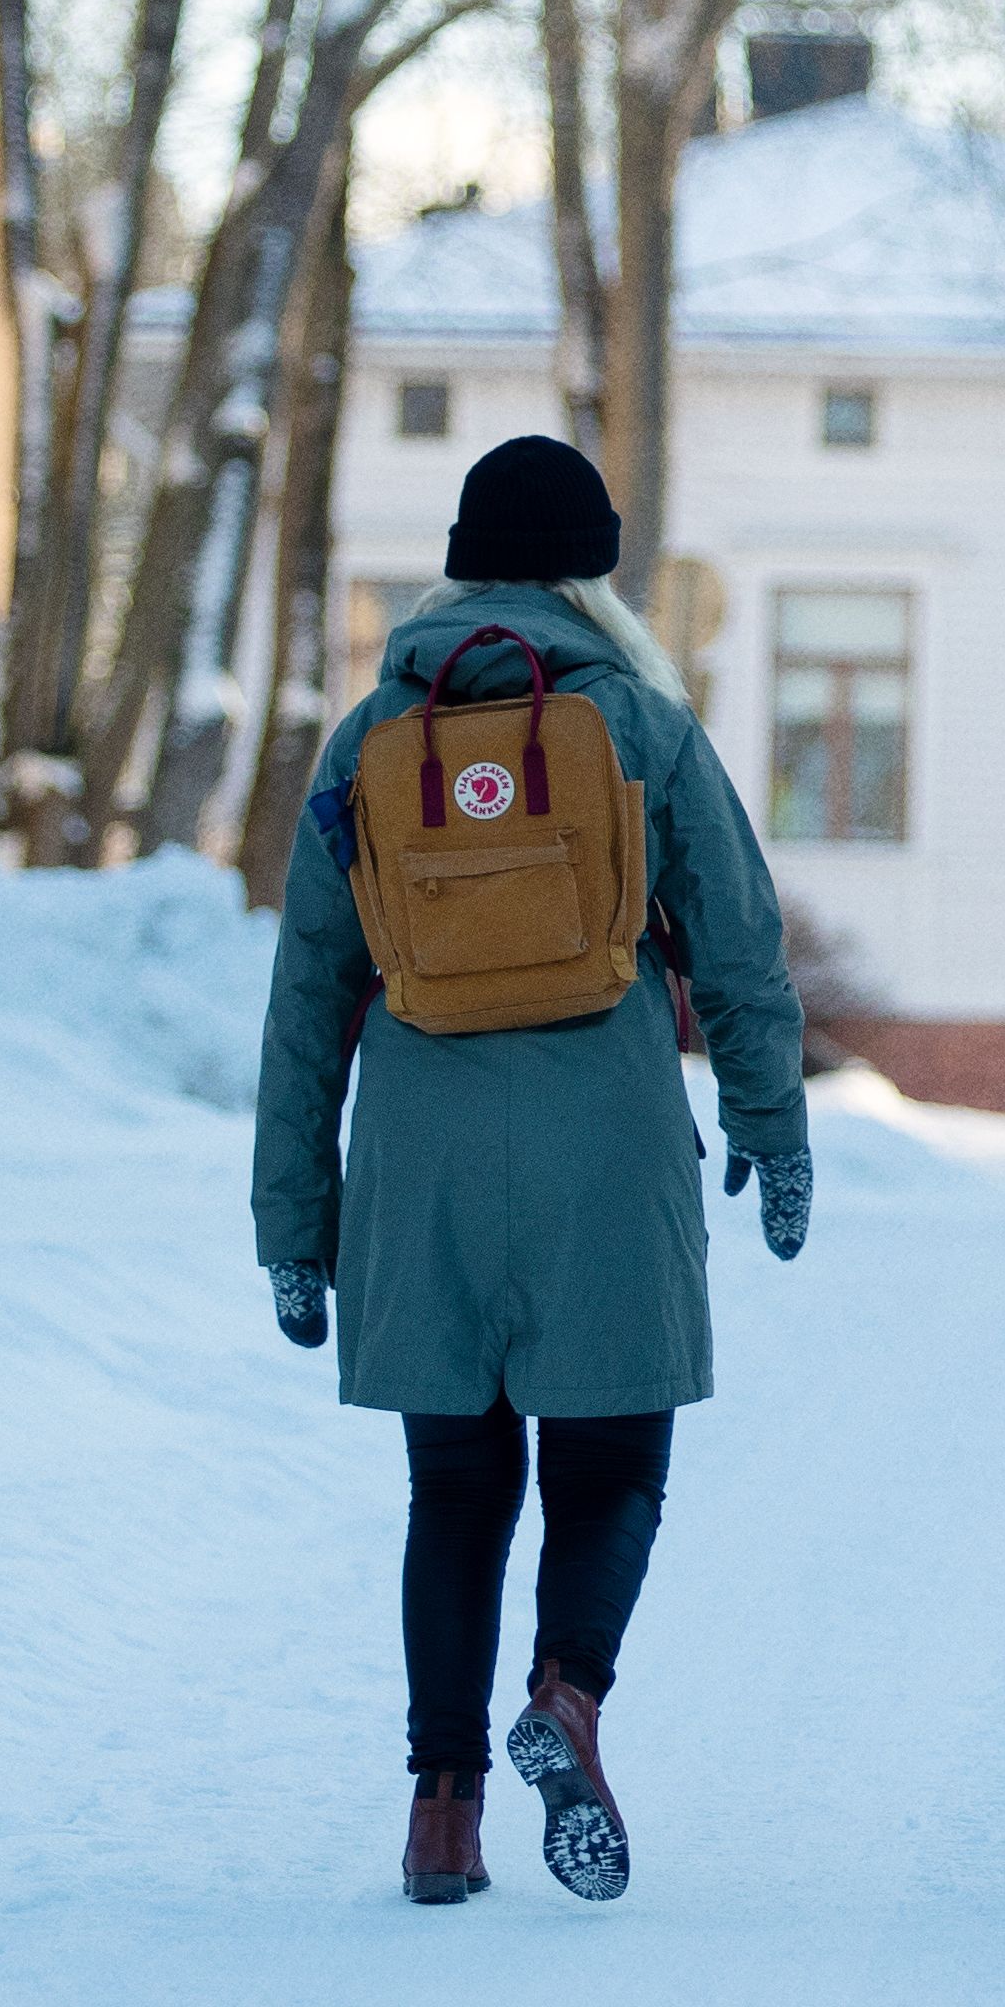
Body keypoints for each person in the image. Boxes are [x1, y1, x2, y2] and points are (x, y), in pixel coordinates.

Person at [252, 433, 814, 1911]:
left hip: (421, 1156)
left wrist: (291, 1223)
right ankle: (566, 1697)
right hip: (607, 1142)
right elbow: (743, 952)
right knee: (612, 1462)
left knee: (454, 1489)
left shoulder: (371, 731)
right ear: (594, 569)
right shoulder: (637, 719)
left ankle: (443, 1812)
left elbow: (310, 990)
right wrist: (773, 1131)